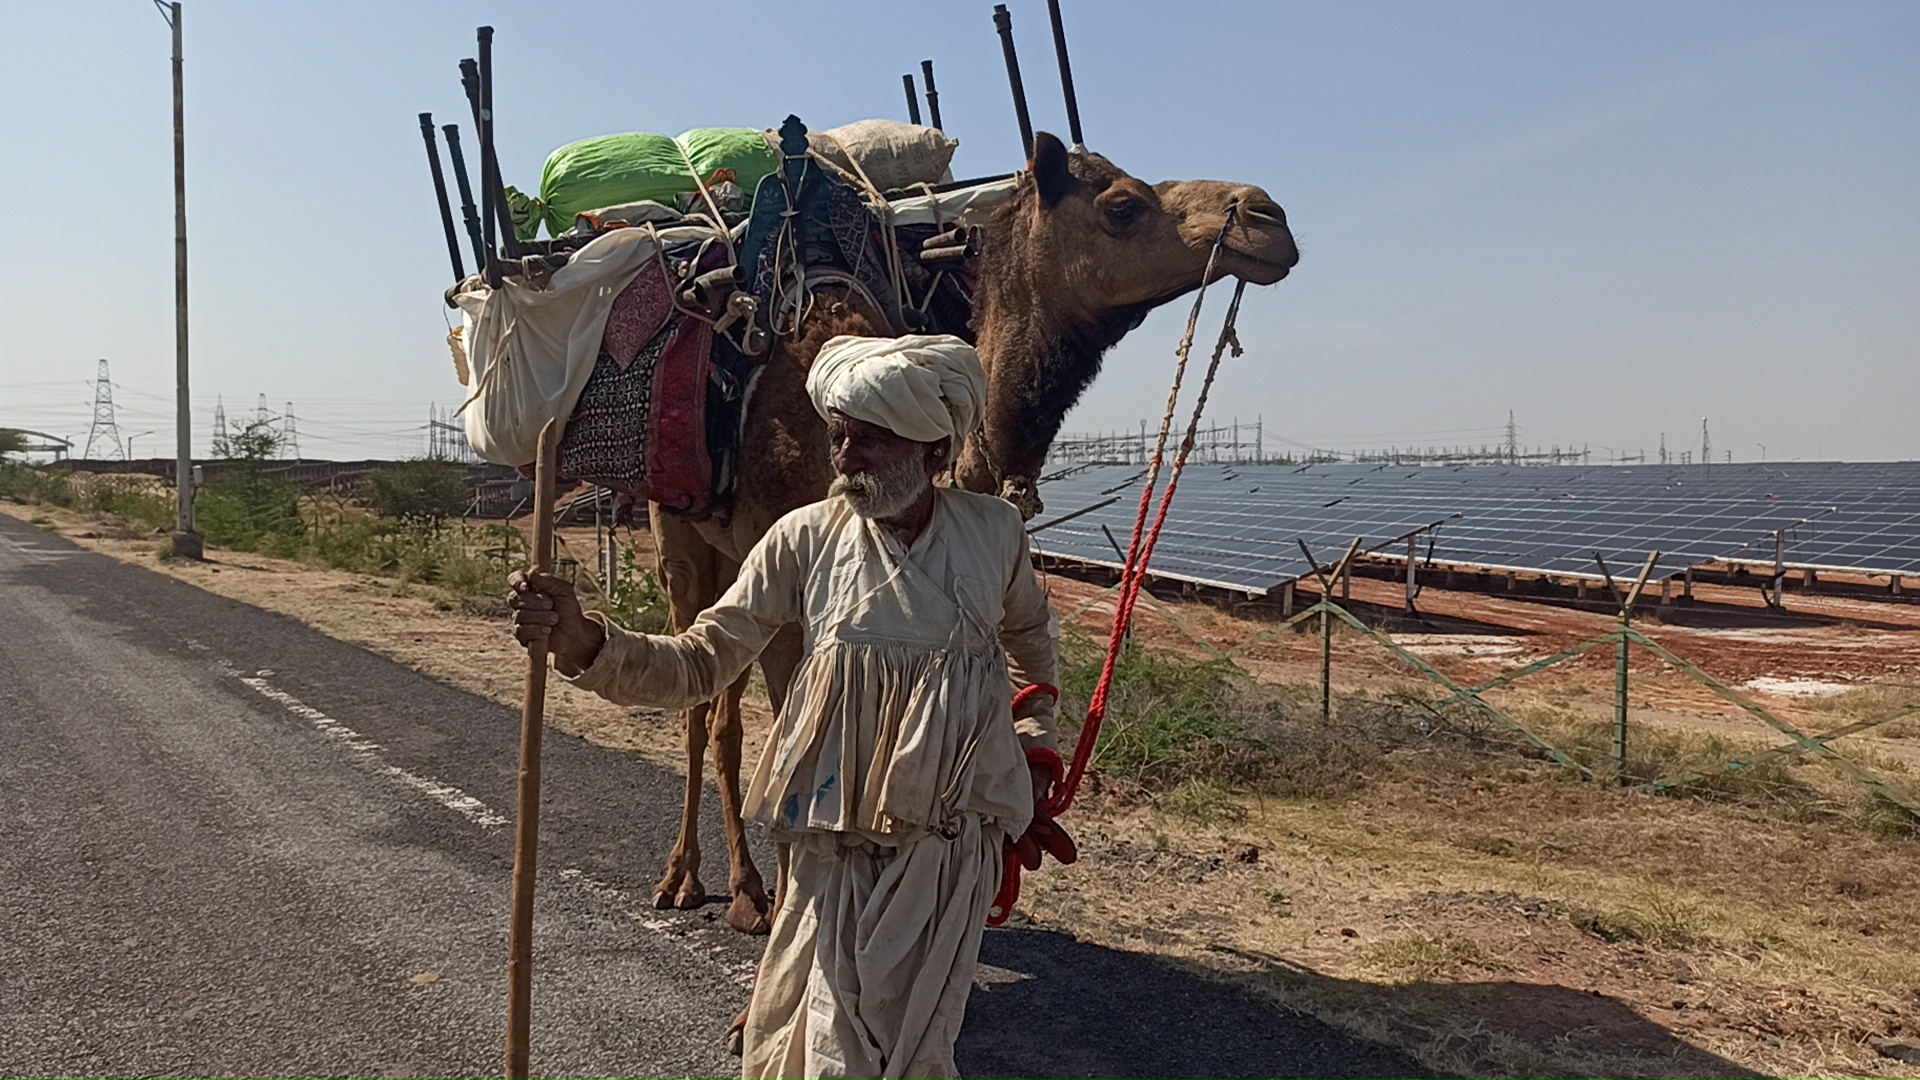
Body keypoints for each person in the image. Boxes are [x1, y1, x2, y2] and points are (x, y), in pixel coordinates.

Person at [509, 334, 1070, 1080]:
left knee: (917, 1050)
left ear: (933, 447)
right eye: (839, 436)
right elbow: (702, 660)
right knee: (823, 1049)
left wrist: (1033, 737)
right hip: (829, 842)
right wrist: (586, 644)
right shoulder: (803, 539)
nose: (844, 458)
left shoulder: (994, 533)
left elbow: (1030, 636)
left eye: (870, 439)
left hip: (951, 845)